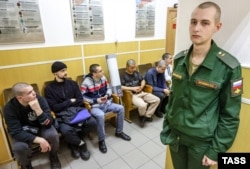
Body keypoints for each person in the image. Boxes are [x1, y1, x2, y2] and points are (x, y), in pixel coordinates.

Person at [160, 2, 243, 169]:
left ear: (217, 27)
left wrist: (216, 151)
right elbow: (173, 97)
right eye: (193, 22)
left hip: (201, 144)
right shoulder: (179, 60)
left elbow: (230, 115)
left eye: (205, 23)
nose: (196, 28)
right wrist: (167, 126)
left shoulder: (229, 67)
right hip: (176, 137)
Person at [44, 61, 96, 161]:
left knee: (92, 122)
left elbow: (80, 99)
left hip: (77, 111)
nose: (66, 72)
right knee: (65, 130)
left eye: (65, 70)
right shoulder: (49, 89)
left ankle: (74, 142)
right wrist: (69, 101)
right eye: (62, 71)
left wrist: (66, 104)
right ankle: (81, 144)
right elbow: (54, 107)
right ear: (55, 73)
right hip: (62, 116)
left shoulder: (72, 84)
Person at [4, 82, 61, 169]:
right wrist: (40, 140)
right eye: (30, 92)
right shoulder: (9, 108)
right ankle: (26, 165)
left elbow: (49, 123)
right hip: (23, 130)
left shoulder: (39, 99)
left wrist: (38, 109)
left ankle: (53, 155)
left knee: (53, 135)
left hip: (40, 126)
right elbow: (15, 132)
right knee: (19, 147)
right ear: (20, 97)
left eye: (33, 90)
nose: (34, 93)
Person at [81, 64, 131, 153]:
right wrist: (96, 100)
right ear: (94, 74)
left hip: (106, 103)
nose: (103, 72)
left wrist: (107, 95)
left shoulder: (103, 78)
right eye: (100, 71)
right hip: (95, 107)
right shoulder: (86, 82)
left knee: (121, 108)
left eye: (102, 70)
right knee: (100, 115)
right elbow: (83, 97)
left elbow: (109, 88)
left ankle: (119, 132)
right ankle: (101, 140)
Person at [120, 59, 160, 127]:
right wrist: (132, 88)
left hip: (141, 92)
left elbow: (143, 80)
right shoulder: (122, 75)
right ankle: (141, 116)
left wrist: (141, 86)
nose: (134, 69)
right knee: (143, 105)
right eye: (132, 68)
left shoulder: (136, 73)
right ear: (127, 67)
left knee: (157, 100)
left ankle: (147, 115)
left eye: (134, 67)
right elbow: (120, 87)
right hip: (132, 95)